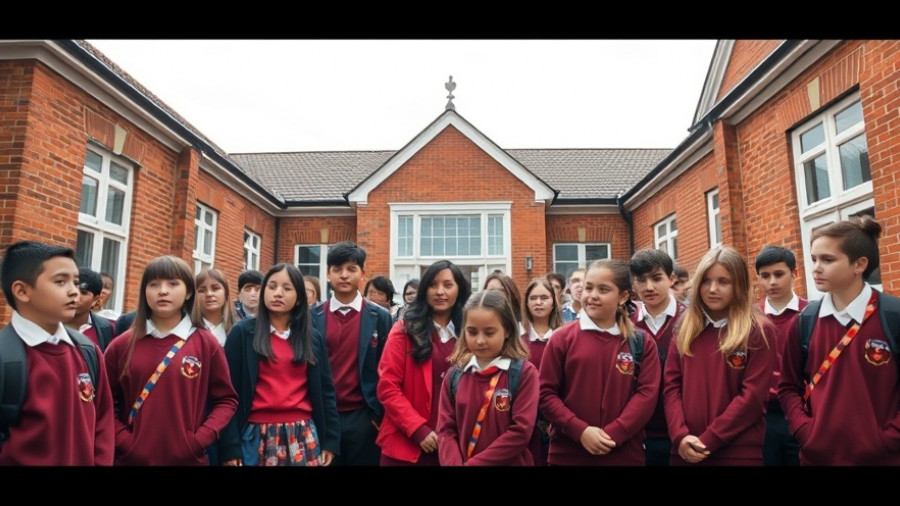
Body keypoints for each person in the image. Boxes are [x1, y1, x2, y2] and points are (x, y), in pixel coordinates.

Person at [779, 215, 900, 466]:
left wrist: (886, 440)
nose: (816, 268)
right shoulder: (804, 322)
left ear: (859, 264)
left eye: (828, 259)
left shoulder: (893, 316)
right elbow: (788, 387)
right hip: (818, 458)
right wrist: (806, 432)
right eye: (814, 259)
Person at [103, 255, 238, 465]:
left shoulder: (206, 344)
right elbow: (103, 401)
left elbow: (226, 400)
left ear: (189, 292)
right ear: (144, 291)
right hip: (132, 459)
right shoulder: (121, 345)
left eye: (173, 284)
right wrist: (124, 441)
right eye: (154, 284)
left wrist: (199, 439)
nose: (163, 291)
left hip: (189, 459)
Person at [0, 241, 114, 465]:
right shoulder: (6, 357)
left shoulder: (88, 352)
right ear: (22, 291)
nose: (74, 291)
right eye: (61, 281)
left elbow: (103, 426)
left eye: (76, 282)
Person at [539, 259, 660, 466]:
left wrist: (614, 434)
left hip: (624, 456)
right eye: (588, 287)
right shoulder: (561, 338)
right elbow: (546, 393)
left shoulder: (641, 342)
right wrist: (580, 431)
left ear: (622, 297)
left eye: (603, 289)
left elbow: (646, 396)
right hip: (568, 455)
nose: (593, 295)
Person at [218, 263, 340, 466]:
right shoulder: (242, 334)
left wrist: (331, 440)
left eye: (287, 288)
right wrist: (229, 447)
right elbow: (226, 393)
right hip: (255, 434)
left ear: (300, 297)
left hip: (302, 434)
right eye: (272, 286)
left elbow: (327, 392)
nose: (278, 293)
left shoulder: (311, 337)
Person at [664, 246, 774, 466]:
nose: (712, 289)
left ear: (739, 285)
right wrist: (680, 436)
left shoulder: (757, 330)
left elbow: (752, 397)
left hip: (737, 452)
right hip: (684, 450)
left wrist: (709, 440)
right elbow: (671, 387)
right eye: (706, 280)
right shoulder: (684, 327)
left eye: (723, 282)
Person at [376, 259, 472, 466]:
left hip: (455, 445)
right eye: (433, 285)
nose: (440, 292)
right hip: (407, 445)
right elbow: (387, 386)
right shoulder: (404, 330)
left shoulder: (469, 334)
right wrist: (417, 429)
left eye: (448, 285)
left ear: (459, 290)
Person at [310, 242, 392, 466]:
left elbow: (388, 369)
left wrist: (378, 416)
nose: (344, 275)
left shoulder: (381, 317)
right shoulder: (311, 317)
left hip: (365, 418)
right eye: (337, 269)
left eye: (351, 269)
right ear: (328, 274)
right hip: (324, 417)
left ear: (363, 273)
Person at [437, 290, 539, 466]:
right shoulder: (454, 376)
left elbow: (520, 431)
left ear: (507, 330)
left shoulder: (523, 373)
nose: (480, 340)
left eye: (489, 332)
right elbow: (446, 431)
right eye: (472, 332)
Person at [628, 248, 686, 466]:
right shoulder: (626, 325)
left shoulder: (691, 321)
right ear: (634, 284)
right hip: (638, 435)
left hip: (683, 432)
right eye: (641, 280)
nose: (649, 287)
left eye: (656, 278)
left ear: (671, 279)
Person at [754, 245, 807, 466]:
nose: (772, 282)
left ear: (795, 273)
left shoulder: (810, 313)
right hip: (762, 415)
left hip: (802, 411)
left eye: (779, 274)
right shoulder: (750, 317)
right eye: (765, 276)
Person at [521, 276, 563, 466]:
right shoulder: (516, 341)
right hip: (524, 423)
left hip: (558, 422)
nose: (538, 302)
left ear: (554, 302)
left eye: (544, 297)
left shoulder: (565, 338)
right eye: (533, 298)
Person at [66, 266, 115, 352]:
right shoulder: (48, 323)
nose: (75, 296)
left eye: (83, 292)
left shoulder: (105, 329)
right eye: (72, 289)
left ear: (95, 300)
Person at [192, 267, 239, 347]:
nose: (209, 294)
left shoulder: (239, 330)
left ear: (226, 293)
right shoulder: (187, 330)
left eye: (215, 288)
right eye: (202, 290)